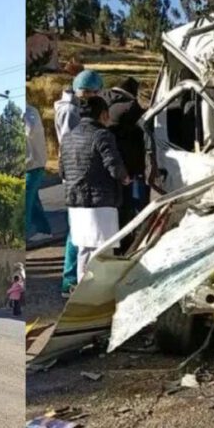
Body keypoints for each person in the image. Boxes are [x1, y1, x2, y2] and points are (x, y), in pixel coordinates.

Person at [60, 96, 130, 287]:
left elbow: (62, 170)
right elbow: (113, 165)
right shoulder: (102, 135)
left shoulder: (67, 137)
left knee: (83, 249)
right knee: (103, 251)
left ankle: (81, 290)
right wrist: (125, 178)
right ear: (104, 114)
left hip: (75, 202)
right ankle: (99, 293)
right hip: (100, 202)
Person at [54, 70, 104, 297]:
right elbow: (71, 143)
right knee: (77, 230)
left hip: (75, 174)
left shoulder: (69, 107)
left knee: (78, 228)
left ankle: (73, 276)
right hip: (77, 175)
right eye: (94, 92)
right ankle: (70, 278)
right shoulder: (70, 111)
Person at [103, 77, 148, 255]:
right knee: (126, 209)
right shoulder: (129, 107)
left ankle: (117, 245)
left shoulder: (103, 101)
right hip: (126, 168)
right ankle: (125, 246)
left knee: (115, 209)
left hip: (107, 167)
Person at [24, 104, 52, 242]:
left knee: (26, 203)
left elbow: (30, 130)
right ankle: (44, 230)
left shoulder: (29, 111)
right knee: (33, 201)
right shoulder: (30, 110)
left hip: (33, 164)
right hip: (30, 164)